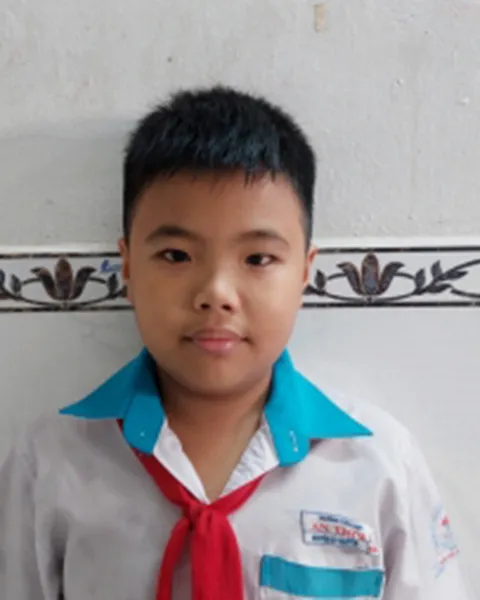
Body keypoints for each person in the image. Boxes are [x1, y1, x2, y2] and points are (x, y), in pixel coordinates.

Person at [0, 86, 472, 600]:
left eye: (258, 259)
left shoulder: (377, 466)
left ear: (304, 272)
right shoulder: (51, 462)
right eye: (176, 256)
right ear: (128, 267)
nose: (216, 294)